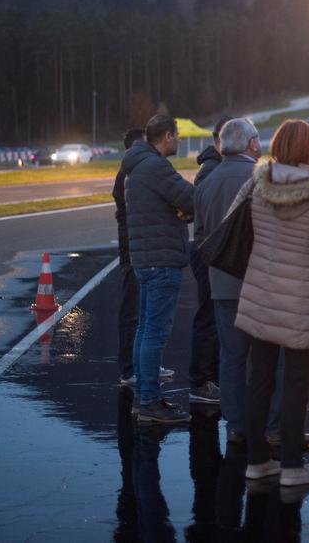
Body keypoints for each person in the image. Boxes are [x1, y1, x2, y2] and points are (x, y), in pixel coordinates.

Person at [235, 119, 309, 487]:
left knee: (259, 378)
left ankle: (256, 461)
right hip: (301, 296)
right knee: (296, 383)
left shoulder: (257, 182)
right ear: (308, 149)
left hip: (261, 291)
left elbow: (239, 226)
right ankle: (293, 467)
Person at [123, 114, 195, 424]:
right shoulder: (156, 167)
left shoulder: (137, 167)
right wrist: (186, 211)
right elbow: (191, 198)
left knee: (145, 331)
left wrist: (182, 211)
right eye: (176, 135)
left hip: (145, 259)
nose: (178, 140)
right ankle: (150, 401)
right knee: (155, 333)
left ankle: (143, 397)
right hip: (162, 260)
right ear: (167, 136)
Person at [193, 118, 261, 440]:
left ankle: (235, 425)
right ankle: (265, 423)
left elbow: (200, 237)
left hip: (221, 282)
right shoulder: (261, 178)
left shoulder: (206, 182)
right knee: (263, 359)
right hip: (259, 282)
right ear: (251, 143)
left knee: (231, 357)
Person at [187, 116, 231, 405]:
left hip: (213, 251)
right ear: (219, 140)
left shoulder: (216, 167)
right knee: (208, 317)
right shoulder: (210, 170)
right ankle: (201, 380)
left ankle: (211, 377)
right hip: (208, 252)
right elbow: (202, 211)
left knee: (215, 318)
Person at [114, 127, 145, 386]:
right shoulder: (127, 174)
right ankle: (129, 368)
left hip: (138, 246)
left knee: (144, 310)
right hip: (133, 248)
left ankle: (142, 362)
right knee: (132, 310)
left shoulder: (130, 171)